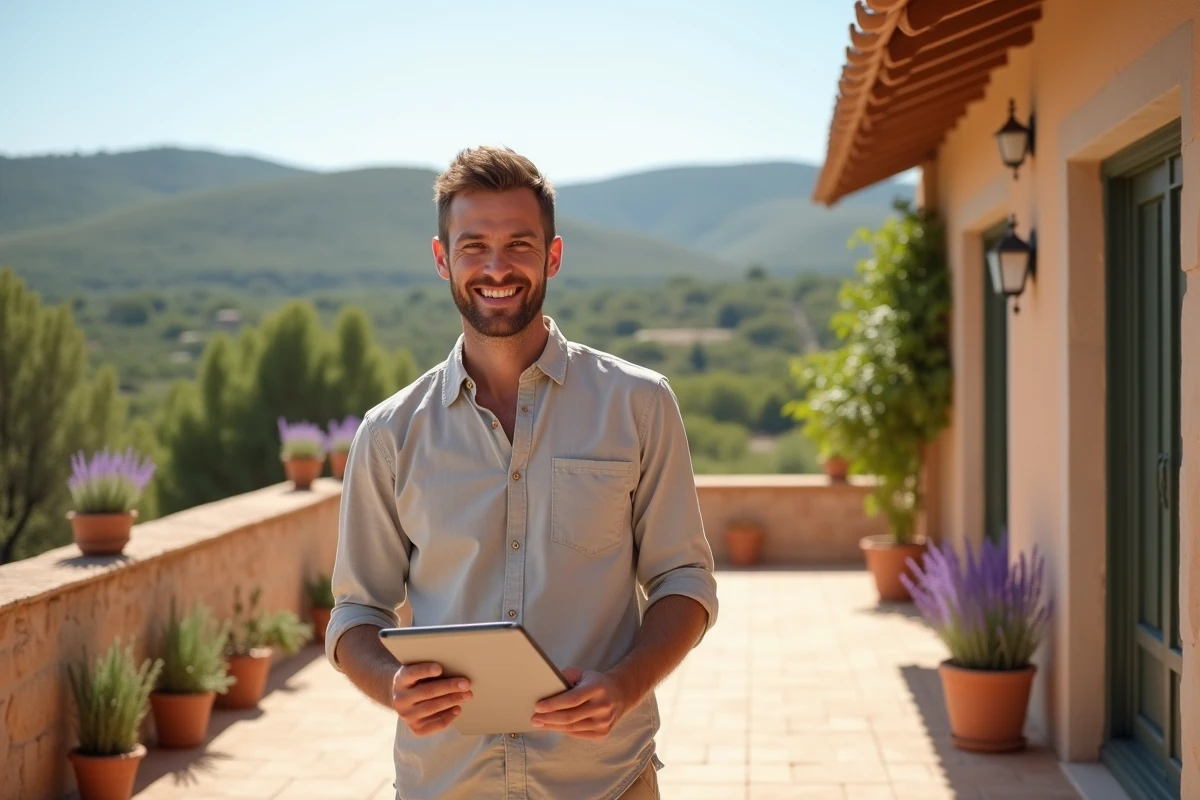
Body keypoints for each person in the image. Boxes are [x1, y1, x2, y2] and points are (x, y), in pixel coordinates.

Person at [325, 145, 719, 800]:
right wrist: (391, 684)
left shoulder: (640, 404)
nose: (497, 267)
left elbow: (684, 580)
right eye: (474, 245)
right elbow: (353, 613)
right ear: (442, 258)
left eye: (519, 244)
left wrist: (625, 685)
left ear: (553, 256)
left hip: (607, 782)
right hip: (445, 784)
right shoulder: (390, 433)